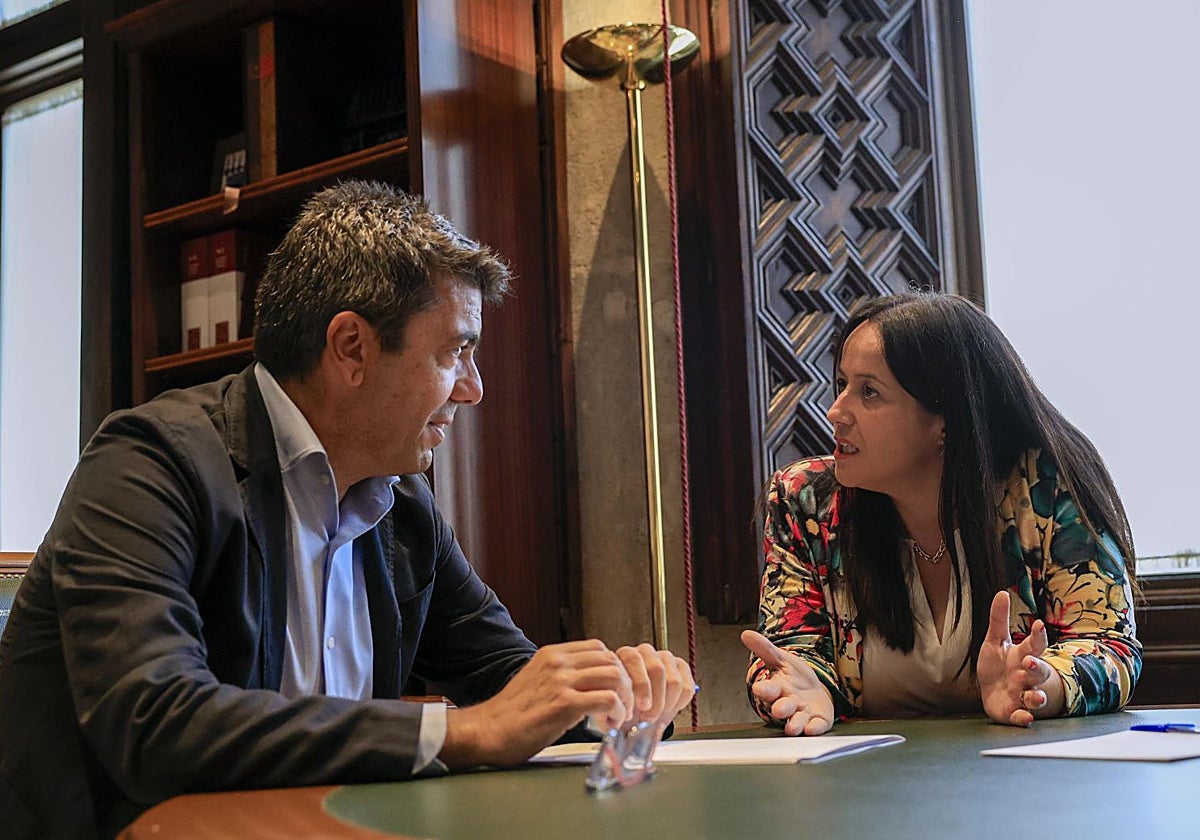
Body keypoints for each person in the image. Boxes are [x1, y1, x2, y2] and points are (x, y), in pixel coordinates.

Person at [0, 181, 694, 839]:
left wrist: (612, 697)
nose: (473, 391)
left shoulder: (401, 508)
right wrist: (465, 732)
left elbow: (509, 683)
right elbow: (152, 722)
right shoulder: (149, 464)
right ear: (352, 348)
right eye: (456, 353)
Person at [741, 291, 1140, 735]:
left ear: (945, 420)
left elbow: (1109, 646)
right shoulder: (805, 500)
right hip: (866, 788)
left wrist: (1044, 682)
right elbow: (787, 653)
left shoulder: (1046, 488)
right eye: (842, 386)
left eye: (869, 392)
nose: (836, 412)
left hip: (1027, 782)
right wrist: (803, 688)